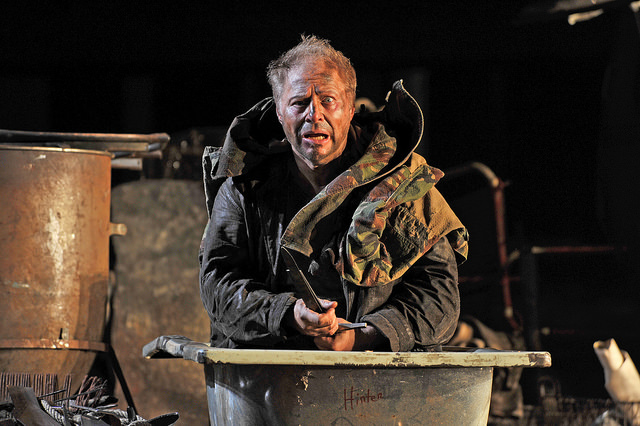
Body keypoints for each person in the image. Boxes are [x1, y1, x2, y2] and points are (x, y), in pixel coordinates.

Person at [199, 35, 468, 352]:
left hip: (377, 372)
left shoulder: (402, 184)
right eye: (299, 103)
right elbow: (219, 284)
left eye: (328, 100)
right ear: (279, 113)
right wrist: (288, 315)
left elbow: (439, 297)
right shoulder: (245, 188)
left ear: (350, 109)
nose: (314, 114)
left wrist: (363, 335)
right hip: (272, 371)